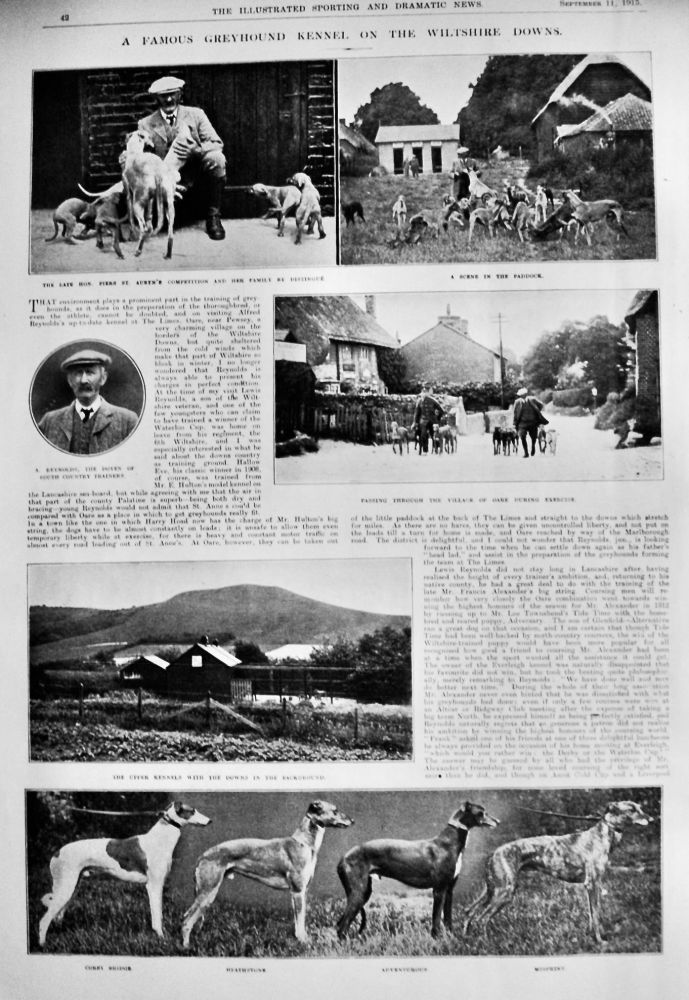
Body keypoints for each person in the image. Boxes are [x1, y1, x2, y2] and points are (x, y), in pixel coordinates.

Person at [138, 76, 227, 241]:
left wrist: (197, 150)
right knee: (164, 228)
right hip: (167, 182)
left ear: (180, 94)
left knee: (217, 158)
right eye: (163, 95)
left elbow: (216, 143)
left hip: (195, 174)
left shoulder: (196, 114)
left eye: (173, 94)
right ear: (156, 98)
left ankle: (213, 216)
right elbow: (141, 157)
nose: (169, 99)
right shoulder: (145, 124)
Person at [37, 350, 138, 455]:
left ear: (103, 378)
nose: (83, 380)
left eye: (90, 372)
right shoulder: (49, 421)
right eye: (78, 373)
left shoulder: (127, 421)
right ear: (70, 380)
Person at [513, 387, 548, 458]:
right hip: (522, 424)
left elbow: (541, 405)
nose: (521, 396)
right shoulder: (517, 402)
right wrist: (514, 423)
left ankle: (533, 446)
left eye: (522, 394)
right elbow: (515, 413)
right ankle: (526, 453)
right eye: (520, 395)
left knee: (534, 437)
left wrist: (537, 411)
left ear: (526, 394)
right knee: (522, 436)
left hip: (533, 423)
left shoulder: (533, 400)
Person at [414, 385, 445, 454]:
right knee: (423, 435)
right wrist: (415, 422)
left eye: (425, 392)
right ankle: (425, 450)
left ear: (428, 393)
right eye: (423, 392)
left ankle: (436, 449)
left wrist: (437, 418)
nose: (424, 394)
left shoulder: (433, 400)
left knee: (435, 435)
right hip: (423, 421)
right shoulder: (419, 401)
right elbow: (417, 413)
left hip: (433, 421)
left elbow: (441, 411)